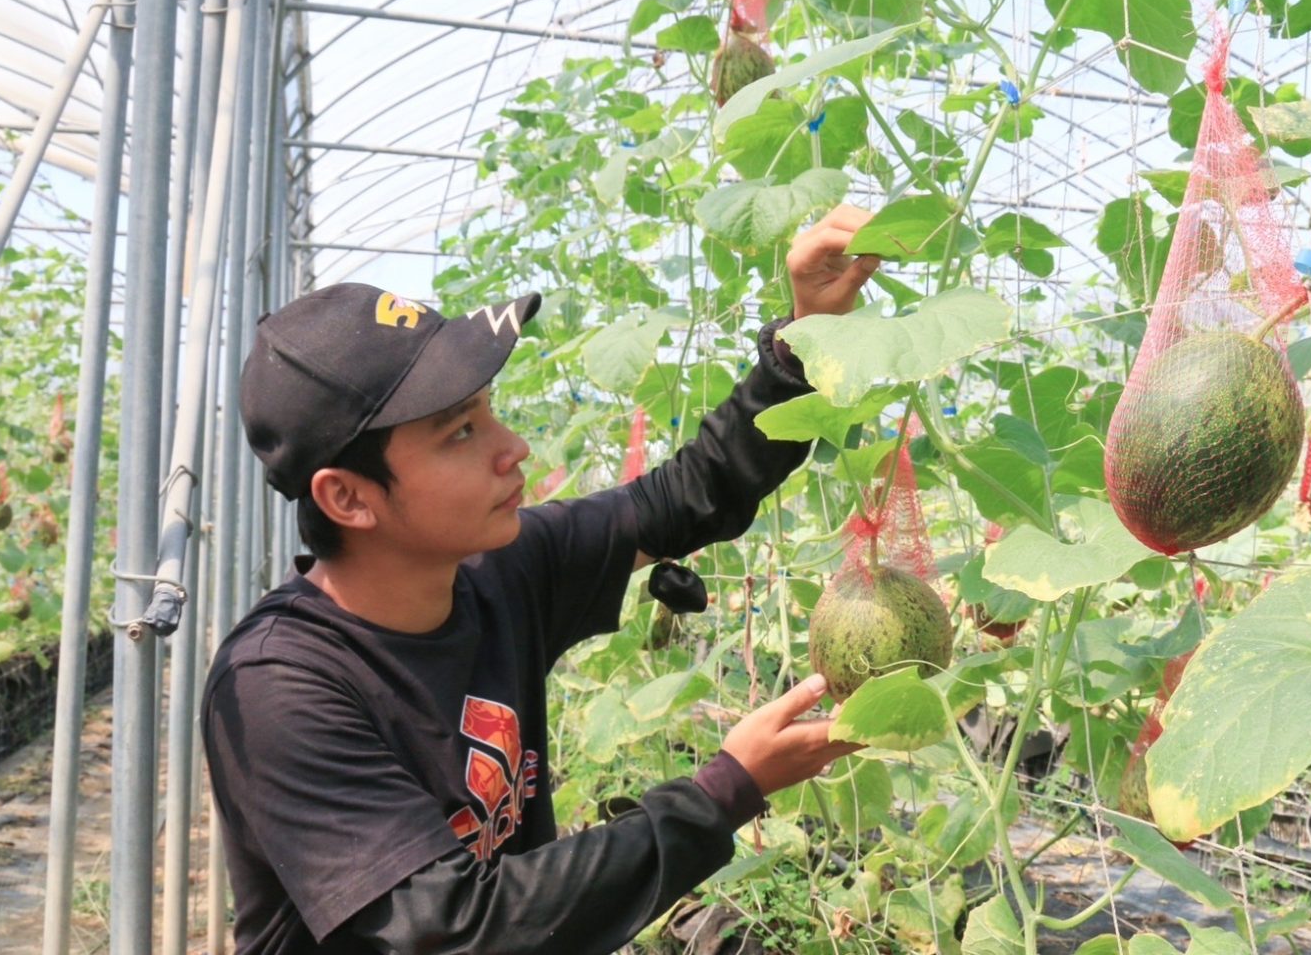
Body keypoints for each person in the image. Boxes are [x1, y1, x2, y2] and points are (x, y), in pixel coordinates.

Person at [201, 206, 884, 954]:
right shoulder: (281, 687)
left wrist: (799, 340)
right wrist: (726, 788)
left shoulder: (502, 570)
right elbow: (452, 928)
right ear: (349, 498)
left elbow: (690, 496)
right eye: (460, 431)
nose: (513, 447)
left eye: (489, 412)